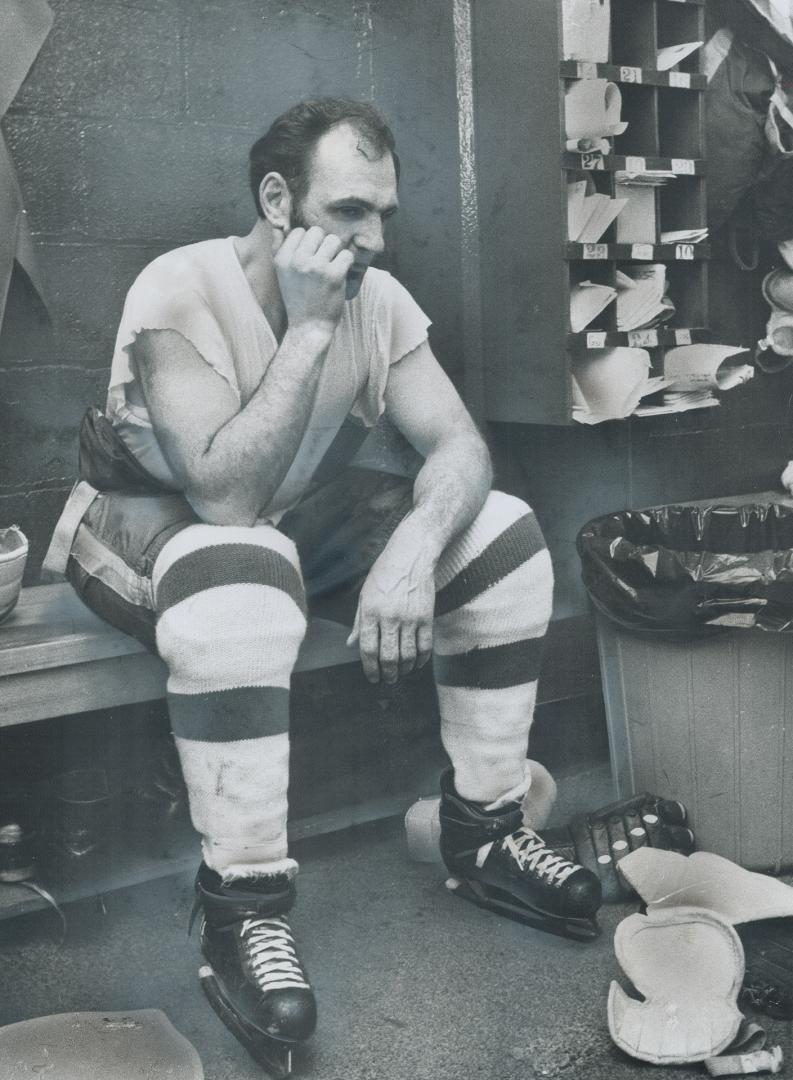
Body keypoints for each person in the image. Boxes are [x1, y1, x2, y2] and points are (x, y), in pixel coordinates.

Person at [44, 98, 601, 1076]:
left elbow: (462, 446)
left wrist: (416, 543)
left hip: (269, 523)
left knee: (499, 536)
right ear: (276, 199)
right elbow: (223, 493)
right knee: (244, 577)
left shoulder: (376, 300)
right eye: (349, 211)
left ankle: (483, 831)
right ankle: (240, 912)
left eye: (382, 212)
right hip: (137, 523)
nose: (374, 239)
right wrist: (305, 335)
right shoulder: (178, 287)